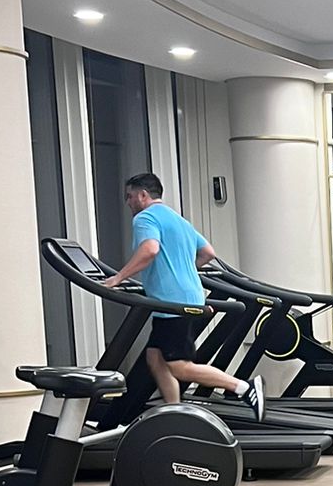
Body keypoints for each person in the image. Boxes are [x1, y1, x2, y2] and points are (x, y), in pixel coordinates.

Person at [108, 174, 264, 417]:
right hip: (181, 299)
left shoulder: (145, 217)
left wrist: (118, 278)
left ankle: (243, 387)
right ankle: (174, 410)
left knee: (179, 367)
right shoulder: (179, 221)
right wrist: (183, 271)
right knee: (155, 358)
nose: (128, 202)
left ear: (143, 195)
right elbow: (208, 253)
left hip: (173, 304)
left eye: (129, 196)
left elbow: (149, 250)